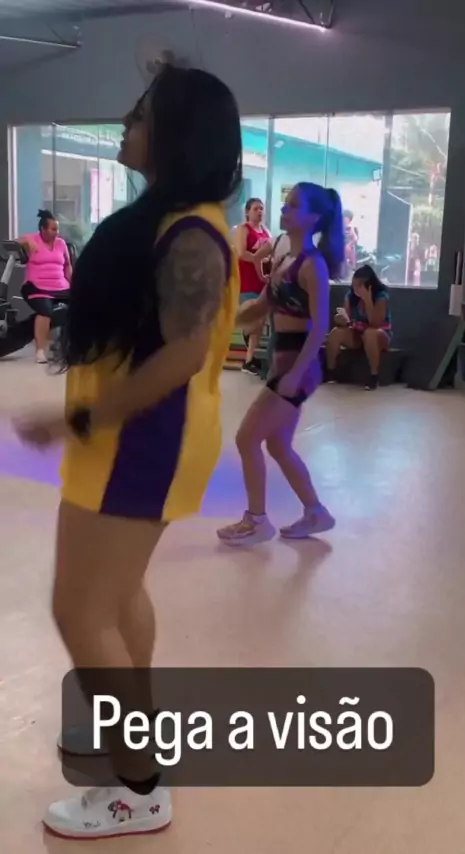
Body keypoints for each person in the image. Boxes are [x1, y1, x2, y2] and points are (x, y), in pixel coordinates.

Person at [14, 61, 242, 839]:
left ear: (176, 135)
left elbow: (183, 355)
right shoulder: (179, 219)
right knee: (117, 598)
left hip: (141, 444)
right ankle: (133, 732)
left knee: (77, 608)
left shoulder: (191, 234)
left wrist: (77, 420)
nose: (125, 123)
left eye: (139, 114)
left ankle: (137, 787)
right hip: (138, 441)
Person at [217, 182, 344, 547]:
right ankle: (316, 512)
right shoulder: (283, 256)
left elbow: (319, 326)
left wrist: (296, 375)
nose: (284, 210)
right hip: (282, 360)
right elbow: (261, 307)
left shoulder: (313, 266)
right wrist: (221, 320)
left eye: (293, 206)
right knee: (277, 445)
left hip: (298, 365)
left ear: (314, 218)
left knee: (246, 438)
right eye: (285, 204)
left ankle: (256, 521)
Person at [17, 210, 72, 364]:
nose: (57, 232)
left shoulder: (61, 244)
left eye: (57, 229)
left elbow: (67, 266)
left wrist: (74, 285)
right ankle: (40, 352)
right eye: (53, 229)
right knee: (45, 311)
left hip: (61, 286)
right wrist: (26, 241)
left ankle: (64, 345)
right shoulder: (32, 240)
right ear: (42, 229)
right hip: (37, 286)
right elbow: (15, 242)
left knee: (79, 306)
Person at [326, 264, 392, 390]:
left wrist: (367, 300)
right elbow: (348, 320)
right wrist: (341, 319)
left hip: (379, 334)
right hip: (358, 332)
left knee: (370, 333)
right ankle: (331, 372)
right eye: (354, 285)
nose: (355, 289)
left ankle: (374, 375)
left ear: (368, 286)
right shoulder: (350, 296)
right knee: (335, 333)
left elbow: (375, 323)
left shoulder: (381, 297)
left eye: (359, 286)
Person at [233, 197, 272, 374]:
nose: (259, 212)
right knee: (253, 319)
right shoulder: (243, 229)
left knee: (260, 320)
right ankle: (242, 330)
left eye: (261, 208)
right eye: (255, 209)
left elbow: (270, 252)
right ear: (247, 212)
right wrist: (258, 259)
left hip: (263, 281)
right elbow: (242, 253)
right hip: (248, 281)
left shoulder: (266, 231)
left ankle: (249, 360)